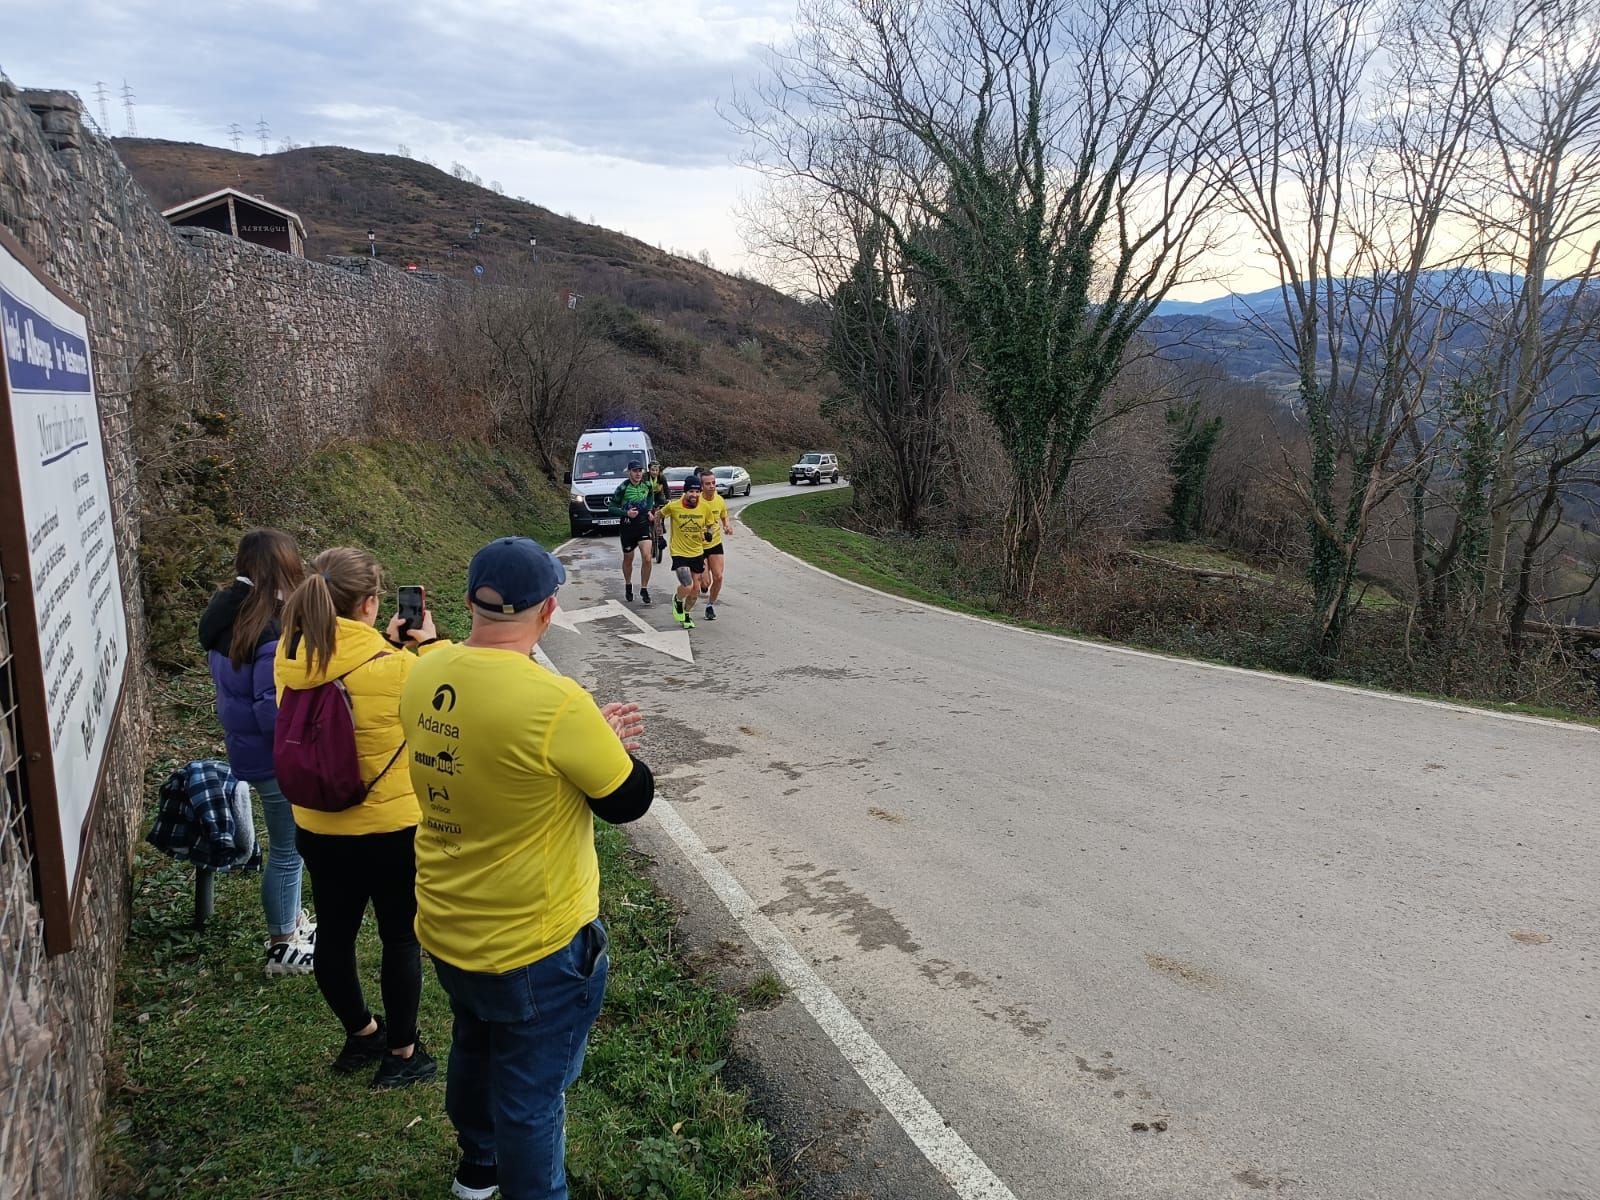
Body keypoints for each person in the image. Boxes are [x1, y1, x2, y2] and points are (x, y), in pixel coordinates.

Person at [400, 537, 652, 1200]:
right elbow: (629, 799)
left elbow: (494, 748)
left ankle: (476, 1167)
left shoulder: (422, 673)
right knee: (532, 1095)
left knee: (475, 1045)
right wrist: (601, 739)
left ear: (469, 603)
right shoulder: (556, 703)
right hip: (534, 944)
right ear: (547, 609)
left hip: (448, 924)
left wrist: (581, 738)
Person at [275, 546, 449, 1090]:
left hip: (319, 826)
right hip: (390, 829)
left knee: (336, 933)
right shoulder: (400, 667)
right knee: (400, 938)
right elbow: (441, 704)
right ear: (373, 604)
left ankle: (361, 1032)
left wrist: (389, 646)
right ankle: (402, 1054)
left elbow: (348, 675)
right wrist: (430, 646)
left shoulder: (290, 656)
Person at [198, 529, 314, 976]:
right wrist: (302, 742)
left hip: (247, 749)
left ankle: (291, 925)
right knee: (288, 849)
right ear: (282, 567)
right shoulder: (269, 629)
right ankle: (283, 943)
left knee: (287, 846)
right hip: (274, 756)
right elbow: (272, 707)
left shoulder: (226, 614)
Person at [656, 472, 714, 629]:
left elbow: (710, 524)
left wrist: (709, 533)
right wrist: (659, 537)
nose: (694, 495)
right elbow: (658, 515)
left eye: (697, 492)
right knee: (687, 586)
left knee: (695, 591)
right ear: (685, 492)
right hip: (679, 552)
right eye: (691, 491)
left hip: (697, 552)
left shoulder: (705, 507)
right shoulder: (674, 506)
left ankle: (686, 615)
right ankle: (677, 599)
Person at [608, 461, 657, 605]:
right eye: (635, 471)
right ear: (629, 472)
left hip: (642, 525)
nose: (638, 474)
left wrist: (648, 510)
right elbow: (611, 508)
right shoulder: (623, 488)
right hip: (627, 526)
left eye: (640, 471)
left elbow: (650, 498)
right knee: (628, 558)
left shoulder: (647, 485)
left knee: (647, 557)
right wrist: (626, 513)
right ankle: (628, 584)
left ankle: (644, 588)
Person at [695, 470, 732, 620]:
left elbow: (724, 516)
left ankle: (710, 606)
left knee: (718, 577)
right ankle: (703, 584)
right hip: (699, 545)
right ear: (701, 486)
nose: (711, 486)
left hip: (715, 543)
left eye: (713, 483)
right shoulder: (696, 500)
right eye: (708, 484)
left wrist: (727, 526)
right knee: (706, 581)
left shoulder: (719, 500)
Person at [645, 460, 668, 563]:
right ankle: (648, 528)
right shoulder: (645, 477)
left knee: (661, 506)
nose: (654, 472)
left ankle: (660, 523)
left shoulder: (662, 477)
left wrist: (668, 499)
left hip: (658, 495)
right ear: (649, 470)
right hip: (646, 495)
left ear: (659, 471)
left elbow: (667, 489)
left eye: (656, 470)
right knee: (646, 511)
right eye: (652, 470)